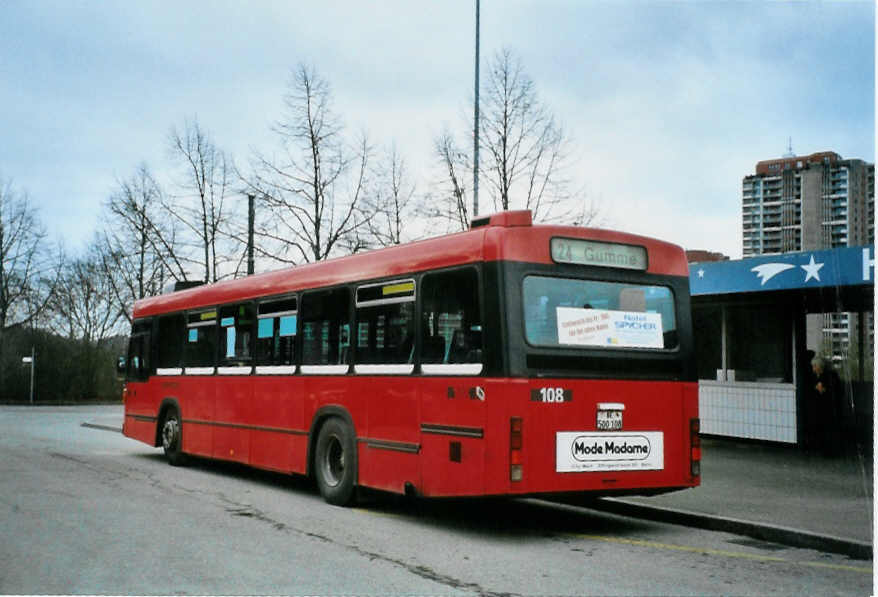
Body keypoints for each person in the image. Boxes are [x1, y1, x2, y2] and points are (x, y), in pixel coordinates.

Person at [811, 355, 842, 456]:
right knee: (824, 428)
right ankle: (826, 449)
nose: (813, 369)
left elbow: (831, 391)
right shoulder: (818, 376)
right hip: (822, 407)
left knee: (829, 428)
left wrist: (821, 389)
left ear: (819, 366)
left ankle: (830, 450)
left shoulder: (828, 376)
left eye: (814, 366)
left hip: (829, 407)